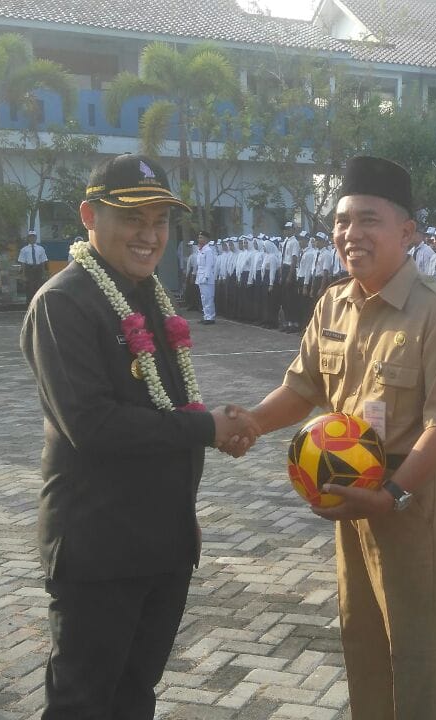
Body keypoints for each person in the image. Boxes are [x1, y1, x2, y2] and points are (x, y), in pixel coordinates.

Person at [230, 156, 436, 720]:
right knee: (360, 633)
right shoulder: (333, 303)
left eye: (368, 220)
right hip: (351, 494)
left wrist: (394, 495)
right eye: (342, 221)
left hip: (413, 497)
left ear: (407, 232)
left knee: (414, 644)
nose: (350, 234)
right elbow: (302, 388)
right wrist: (250, 422)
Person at [19, 153, 257, 719]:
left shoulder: (146, 293)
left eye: (160, 221)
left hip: (160, 540)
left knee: (134, 695)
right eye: (132, 219)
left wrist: (180, 506)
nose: (149, 236)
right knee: (83, 701)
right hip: (100, 546)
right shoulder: (64, 302)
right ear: (88, 216)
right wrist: (208, 429)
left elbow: (161, 407)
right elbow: (94, 426)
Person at [19, 230, 49, 303]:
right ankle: (29, 304)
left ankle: (38, 303)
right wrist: (23, 275)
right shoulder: (24, 249)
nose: (32, 238)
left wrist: (44, 273)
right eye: (30, 237)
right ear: (28, 238)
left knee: (38, 287)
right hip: (29, 269)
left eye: (33, 237)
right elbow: (22, 263)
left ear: (36, 238)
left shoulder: (40, 249)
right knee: (29, 288)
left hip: (38, 269)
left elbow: (43, 261)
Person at [195, 231, 217, 324]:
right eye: (199, 237)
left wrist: (206, 277)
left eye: (201, 237)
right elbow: (199, 265)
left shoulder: (208, 250)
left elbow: (209, 265)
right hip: (200, 276)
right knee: (204, 298)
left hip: (207, 277)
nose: (199, 239)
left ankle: (210, 317)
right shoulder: (201, 250)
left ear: (206, 239)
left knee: (208, 298)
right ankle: (206, 316)